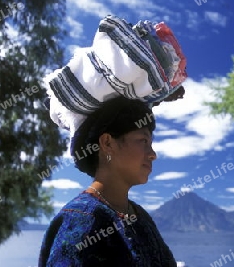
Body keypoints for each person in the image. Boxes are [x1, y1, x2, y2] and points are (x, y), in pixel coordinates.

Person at [38, 95, 177, 266]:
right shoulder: (80, 220)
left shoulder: (140, 216)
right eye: (143, 141)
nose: (152, 154)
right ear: (107, 143)